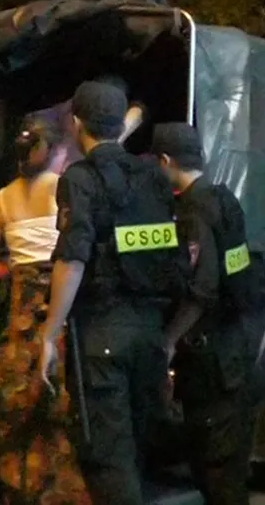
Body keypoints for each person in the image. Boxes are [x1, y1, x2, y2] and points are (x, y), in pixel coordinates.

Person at [36, 81, 194, 505]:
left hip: (101, 333)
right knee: (137, 450)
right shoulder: (153, 176)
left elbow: (73, 259)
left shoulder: (79, 179)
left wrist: (50, 334)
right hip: (150, 332)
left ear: (76, 123)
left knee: (107, 458)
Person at [0, 116, 89, 505]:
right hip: (62, 313)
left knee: (17, 411)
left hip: (21, 321)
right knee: (62, 415)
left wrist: (12, 269)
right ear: (59, 151)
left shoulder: (0, 201)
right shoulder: (68, 191)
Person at [152, 122, 257, 505]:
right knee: (227, 466)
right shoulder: (224, 200)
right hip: (231, 347)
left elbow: (203, 287)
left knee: (214, 470)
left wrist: (168, 340)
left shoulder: (193, 210)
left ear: (166, 161)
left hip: (209, 358)